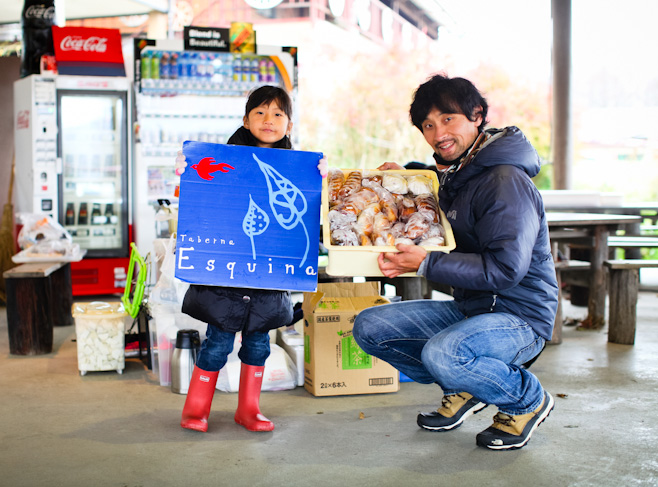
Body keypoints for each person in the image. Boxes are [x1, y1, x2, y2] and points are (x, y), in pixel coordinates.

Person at [352, 74, 558, 451]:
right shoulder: (464, 171)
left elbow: (506, 270)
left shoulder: (504, 181)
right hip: (473, 308)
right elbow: (441, 188)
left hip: (520, 318)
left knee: (443, 352)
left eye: (448, 119)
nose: (437, 133)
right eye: (428, 125)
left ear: (476, 115)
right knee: (370, 325)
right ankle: (464, 385)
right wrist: (404, 175)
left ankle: (526, 400)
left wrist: (426, 264)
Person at [174, 85, 327, 433]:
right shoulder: (220, 160)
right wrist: (184, 170)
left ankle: (249, 410)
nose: (268, 120)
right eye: (259, 112)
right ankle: (194, 411)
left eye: (277, 114)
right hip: (226, 283)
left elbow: (307, 215)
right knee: (217, 345)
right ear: (245, 120)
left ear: (289, 125)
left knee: (258, 346)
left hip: (268, 284)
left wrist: (322, 177)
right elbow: (194, 197)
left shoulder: (300, 169)